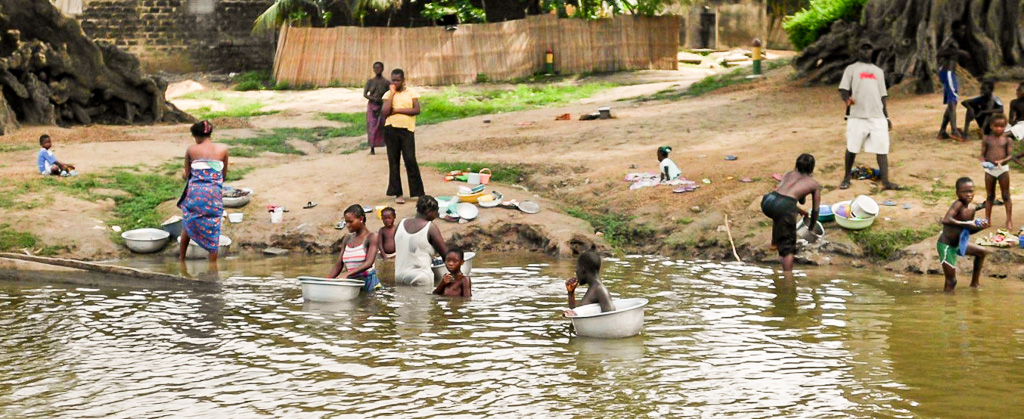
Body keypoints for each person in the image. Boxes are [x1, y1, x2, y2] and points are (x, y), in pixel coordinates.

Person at [838, 41, 900, 191]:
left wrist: (887, 117)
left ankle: (885, 181)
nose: (866, 52)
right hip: (857, 115)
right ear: (858, 51)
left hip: (877, 116)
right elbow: (843, 89)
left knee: (882, 149)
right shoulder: (851, 69)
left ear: (872, 52)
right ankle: (846, 178)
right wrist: (847, 100)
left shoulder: (878, 71)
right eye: (863, 49)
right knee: (852, 148)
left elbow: (883, 95)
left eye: (868, 49)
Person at [760, 154, 821, 274]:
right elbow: (815, 210)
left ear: (796, 166)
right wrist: (811, 228)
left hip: (768, 200)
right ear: (812, 169)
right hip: (783, 207)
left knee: (779, 215)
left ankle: (774, 244)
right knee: (788, 249)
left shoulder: (788, 174)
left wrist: (800, 211)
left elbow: (783, 197)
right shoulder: (813, 184)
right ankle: (788, 281)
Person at [178, 121, 228, 265]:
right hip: (213, 194)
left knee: (188, 222)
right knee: (213, 226)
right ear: (210, 134)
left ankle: (181, 259)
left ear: (196, 136)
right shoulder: (223, 149)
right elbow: (223, 176)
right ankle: (213, 265)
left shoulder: (191, 150)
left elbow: (188, 175)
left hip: (195, 194)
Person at [937, 177, 990, 292]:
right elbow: (946, 220)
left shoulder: (971, 209)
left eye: (971, 191)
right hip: (947, 246)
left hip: (959, 243)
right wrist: (967, 223)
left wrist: (979, 228)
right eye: (964, 192)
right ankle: (949, 306)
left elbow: (967, 230)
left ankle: (974, 284)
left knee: (982, 252)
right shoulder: (958, 204)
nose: (968, 195)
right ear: (957, 193)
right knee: (951, 281)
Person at [382, 68, 424, 205]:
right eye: (393, 80)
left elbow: (416, 110)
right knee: (394, 162)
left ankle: (418, 193)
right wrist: (392, 94)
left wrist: (398, 110)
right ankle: (397, 193)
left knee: (410, 160)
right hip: (391, 130)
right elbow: (385, 112)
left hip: (407, 130)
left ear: (403, 80)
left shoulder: (411, 93)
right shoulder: (388, 94)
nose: (395, 82)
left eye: (398, 80)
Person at [394, 196, 447, 286]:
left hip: (399, 277)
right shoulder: (430, 227)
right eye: (436, 211)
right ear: (428, 212)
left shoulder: (401, 223)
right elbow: (445, 254)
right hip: (420, 277)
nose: (437, 214)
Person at [327, 205, 381, 292]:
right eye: (346, 222)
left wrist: (347, 274)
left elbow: (369, 263)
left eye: (350, 222)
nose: (347, 225)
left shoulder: (372, 237)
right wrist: (327, 280)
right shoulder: (347, 238)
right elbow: (339, 264)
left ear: (361, 219)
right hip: (352, 284)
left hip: (369, 284)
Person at [937, 23, 969, 140]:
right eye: (960, 30)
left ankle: (942, 131)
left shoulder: (954, 41)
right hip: (947, 71)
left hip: (950, 72)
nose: (962, 33)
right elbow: (939, 53)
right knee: (952, 101)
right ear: (954, 30)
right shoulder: (949, 40)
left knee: (953, 101)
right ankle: (954, 130)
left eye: (963, 31)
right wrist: (959, 52)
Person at [980, 114, 1013, 229]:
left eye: (1002, 126)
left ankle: (1009, 220)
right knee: (989, 196)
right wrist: (984, 163)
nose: (999, 128)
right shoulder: (987, 139)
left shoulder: (1007, 140)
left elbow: (1009, 156)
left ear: (1005, 126)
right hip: (990, 170)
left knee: (1006, 195)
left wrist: (1001, 161)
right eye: (996, 126)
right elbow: (982, 155)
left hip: (1002, 170)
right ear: (991, 126)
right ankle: (987, 219)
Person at [563, 250, 615, 316]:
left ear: (582, 269)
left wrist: (574, 315)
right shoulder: (594, 289)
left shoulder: (600, 290)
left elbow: (611, 316)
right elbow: (579, 316)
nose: (576, 271)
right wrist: (571, 294)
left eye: (577, 268)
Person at [363, 62, 389, 155]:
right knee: (371, 126)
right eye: (376, 68)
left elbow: (389, 94)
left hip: (382, 106)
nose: (377, 70)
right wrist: (373, 98)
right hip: (372, 106)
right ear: (373, 69)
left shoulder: (386, 82)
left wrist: (383, 101)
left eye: (379, 68)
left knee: (383, 126)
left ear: (382, 69)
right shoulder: (370, 82)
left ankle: (386, 145)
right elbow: (365, 94)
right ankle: (372, 148)